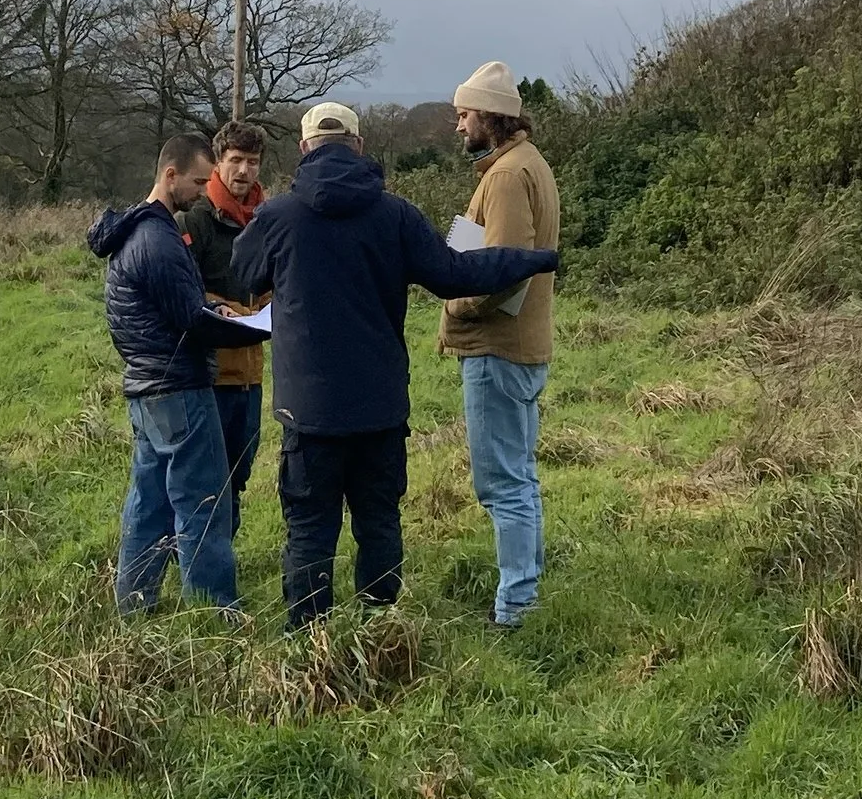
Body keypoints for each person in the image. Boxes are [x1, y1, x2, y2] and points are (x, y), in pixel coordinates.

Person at [227, 99, 558, 627]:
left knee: (310, 527)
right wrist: (538, 257)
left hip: (307, 412)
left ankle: (310, 643)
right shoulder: (395, 214)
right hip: (380, 408)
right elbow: (456, 273)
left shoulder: (277, 216)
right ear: (359, 147)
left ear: (305, 148)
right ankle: (380, 633)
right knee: (379, 522)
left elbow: (243, 276)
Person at [87, 134, 254, 614]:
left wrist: (213, 304)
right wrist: (256, 329)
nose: (206, 190)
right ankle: (214, 609)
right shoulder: (158, 239)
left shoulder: (139, 232)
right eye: (201, 180)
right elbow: (191, 320)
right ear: (171, 174)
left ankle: (135, 604)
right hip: (177, 385)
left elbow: (184, 302)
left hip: (146, 387)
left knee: (151, 502)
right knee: (204, 502)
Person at [439, 61, 561, 630]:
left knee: (502, 483)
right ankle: (525, 596)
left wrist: (457, 303)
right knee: (520, 475)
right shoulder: (519, 164)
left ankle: (515, 608)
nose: (458, 126)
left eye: (464, 114)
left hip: (498, 348)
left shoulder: (509, 175)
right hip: (520, 345)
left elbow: (505, 269)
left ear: (490, 115)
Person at [179, 120, 269, 535]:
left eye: (252, 162)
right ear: (218, 163)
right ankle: (202, 563)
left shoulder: (266, 219)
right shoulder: (194, 220)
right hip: (211, 374)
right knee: (206, 478)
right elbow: (186, 290)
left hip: (252, 373)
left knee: (240, 472)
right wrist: (225, 308)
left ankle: (221, 554)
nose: (244, 171)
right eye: (235, 160)